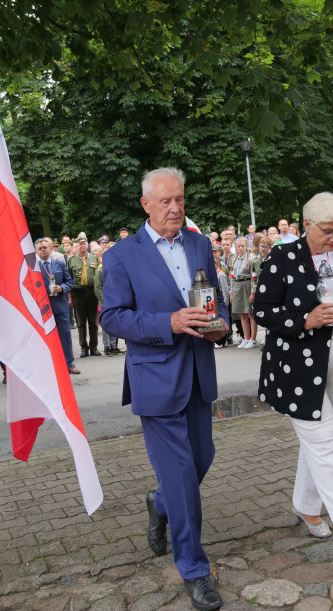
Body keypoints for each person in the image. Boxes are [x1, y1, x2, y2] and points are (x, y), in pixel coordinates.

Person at [99, 168, 229, 611]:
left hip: (198, 371)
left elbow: (214, 299)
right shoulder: (121, 255)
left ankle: (159, 502)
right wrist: (168, 324)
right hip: (154, 376)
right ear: (146, 206)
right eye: (166, 202)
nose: (175, 208)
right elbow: (112, 317)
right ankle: (194, 569)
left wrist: (219, 324)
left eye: (180, 199)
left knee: (201, 460)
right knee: (181, 477)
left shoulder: (198, 243)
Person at [254, 193, 333, 570]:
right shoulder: (282, 257)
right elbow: (262, 309)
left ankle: (307, 508)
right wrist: (304, 320)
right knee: (328, 447)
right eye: (328, 231)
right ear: (306, 225)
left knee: (322, 442)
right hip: (295, 371)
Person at [36, 238, 79, 374]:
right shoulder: (34, 268)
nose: (43, 250)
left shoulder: (59, 264)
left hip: (60, 306)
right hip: (43, 309)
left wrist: (62, 288)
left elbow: (70, 282)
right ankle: (51, 366)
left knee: (65, 336)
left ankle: (69, 363)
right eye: (40, 248)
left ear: (50, 249)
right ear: (36, 252)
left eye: (45, 247)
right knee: (47, 338)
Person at [68, 236, 102, 358]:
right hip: (78, 293)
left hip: (92, 293)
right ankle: (83, 348)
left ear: (87, 245)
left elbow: (99, 276)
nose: (82, 246)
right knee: (81, 322)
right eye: (80, 244)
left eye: (84, 244)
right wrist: (70, 298)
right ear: (76, 247)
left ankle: (94, 347)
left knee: (93, 321)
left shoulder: (93, 257)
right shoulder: (71, 260)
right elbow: (69, 280)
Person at [229, 237, 257, 348]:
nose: (240, 248)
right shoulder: (235, 259)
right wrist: (231, 292)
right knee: (242, 313)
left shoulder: (251, 259)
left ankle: (253, 339)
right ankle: (246, 338)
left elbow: (254, 276)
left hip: (247, 284)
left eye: (242, 246)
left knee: (250, 313)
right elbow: (231, 276)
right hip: (237, 285)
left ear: (246, 246)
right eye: (238, 246)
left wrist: (253, 292)